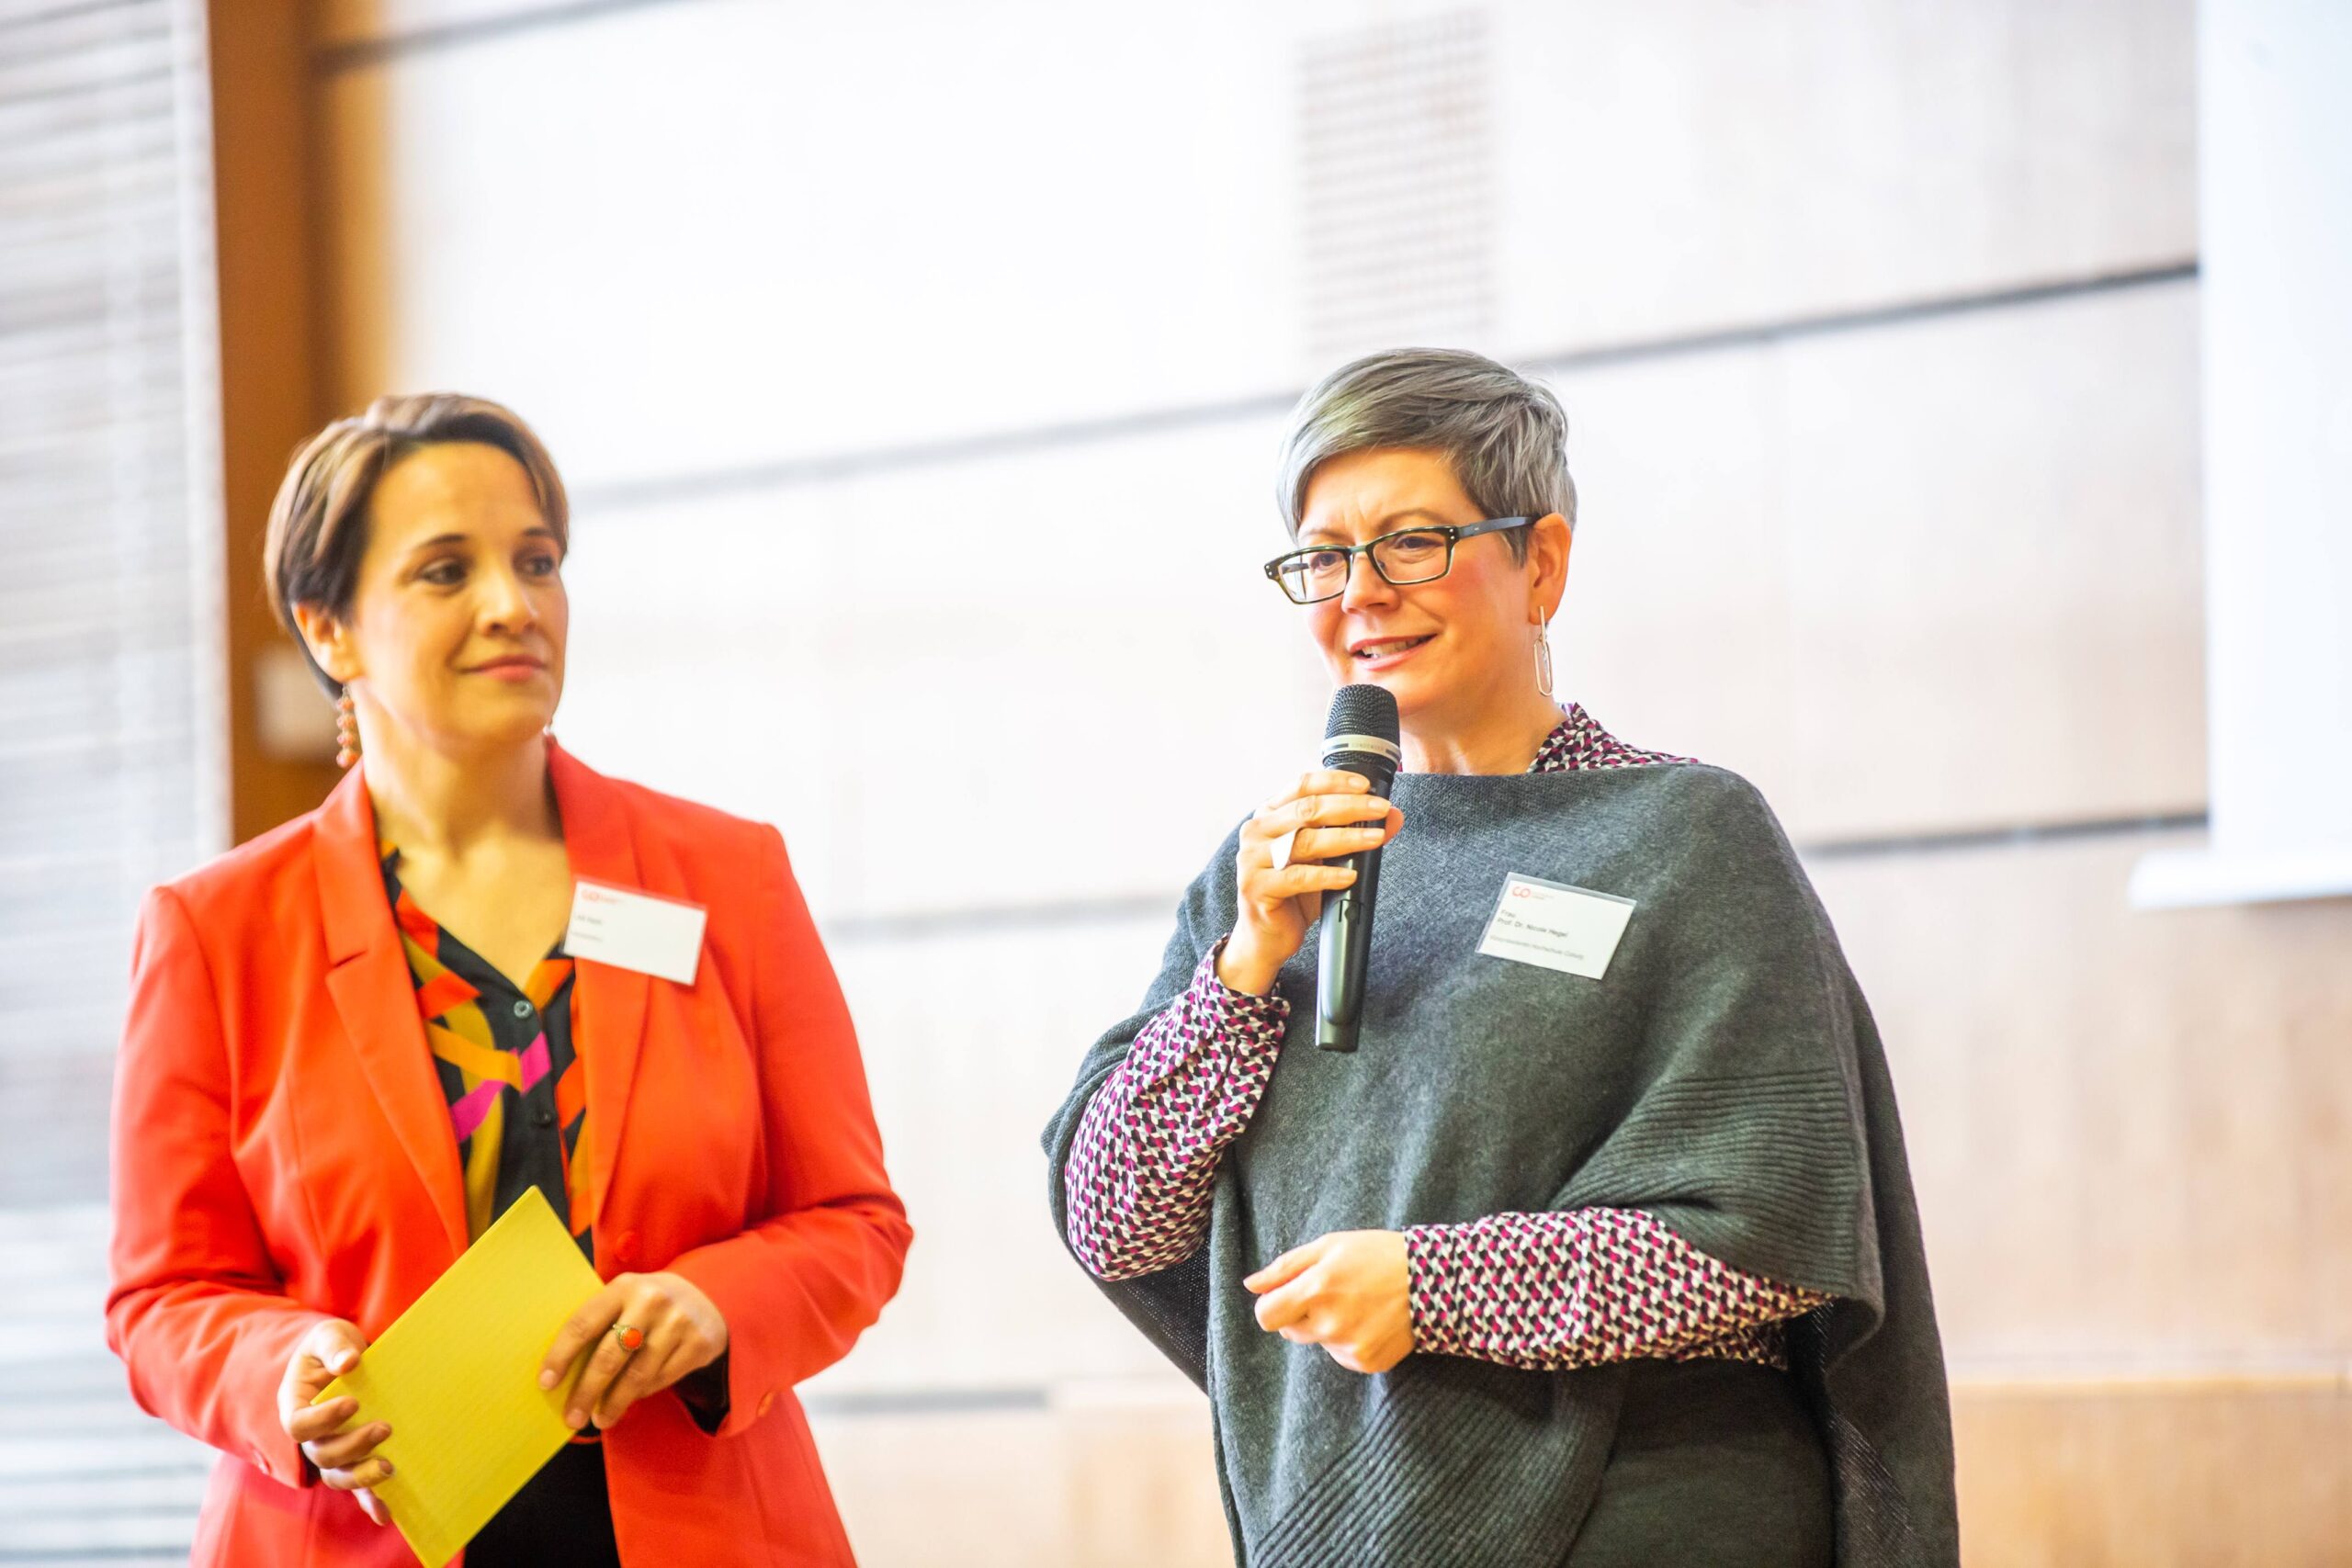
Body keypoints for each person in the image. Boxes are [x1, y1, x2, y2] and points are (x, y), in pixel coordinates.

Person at [1044, 349, 1958, 1566]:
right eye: (1325, 554)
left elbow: (1775, 1234)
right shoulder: (1271, 869)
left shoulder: (1681, 838)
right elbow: (1117, 1220)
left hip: (1657, 1512)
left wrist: (1436, 1285)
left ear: (1544, 563)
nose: (1361, 591)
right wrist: (1243, 969)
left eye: (1413, 540)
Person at [107, 394, 910, 1566]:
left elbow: (854, 1224)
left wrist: (717, 1305)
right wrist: (283, 1373)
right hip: (354, 1532)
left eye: (537, 561)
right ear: (329, 631)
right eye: (446, 570)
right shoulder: (215, 929)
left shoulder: (725, 879)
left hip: (705, 1529)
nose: (512, 605)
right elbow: (161, 1299)